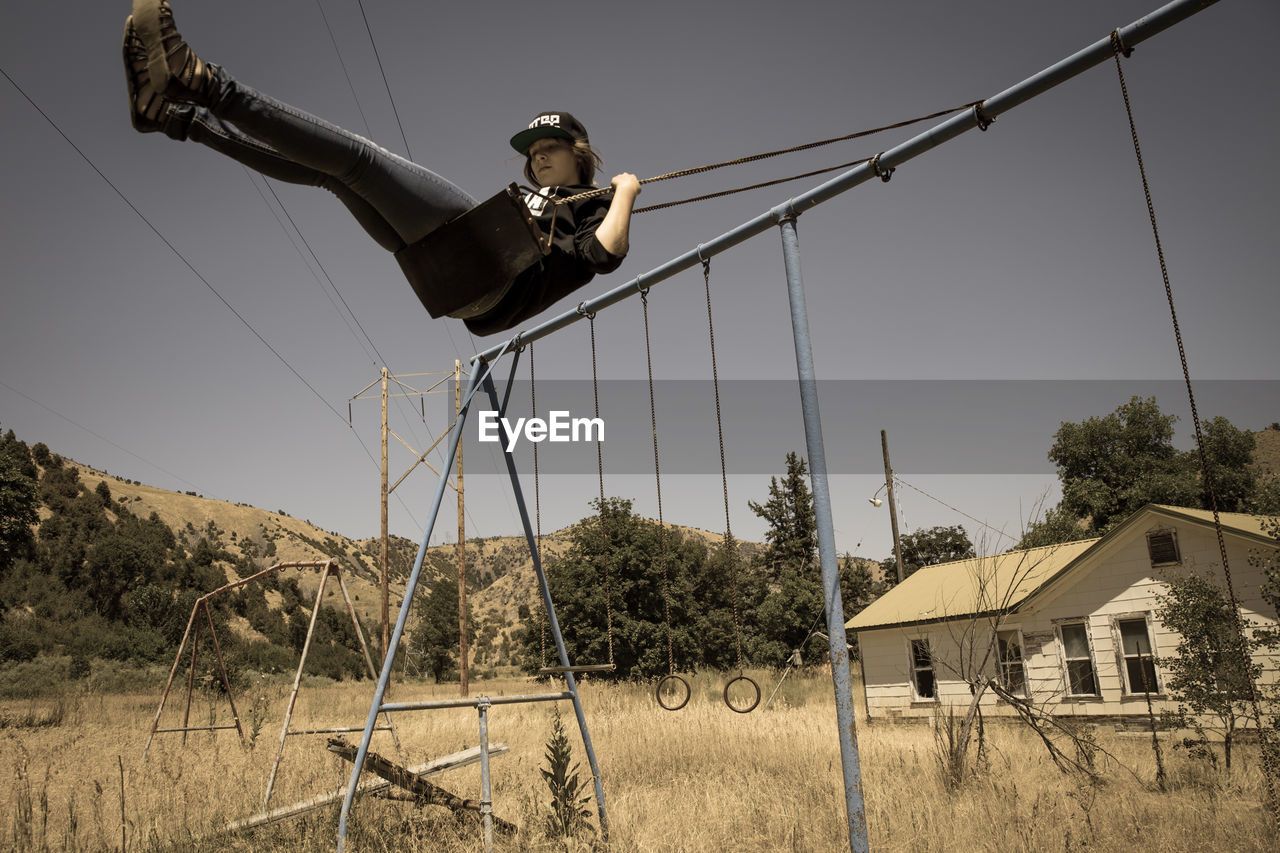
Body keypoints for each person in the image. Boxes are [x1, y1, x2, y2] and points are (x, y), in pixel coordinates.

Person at [122, 0, 640, 336]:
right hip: (454, 282)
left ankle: (204, 83)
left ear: (581, 151)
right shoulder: (546, 202)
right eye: (532, 149)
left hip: (485, 272)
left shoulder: (596, 203)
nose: (538, 155)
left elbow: (604, 256)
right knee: (333, 175)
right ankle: (174, 119)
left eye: (551, 145)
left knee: (361, 159)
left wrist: (626, 191)